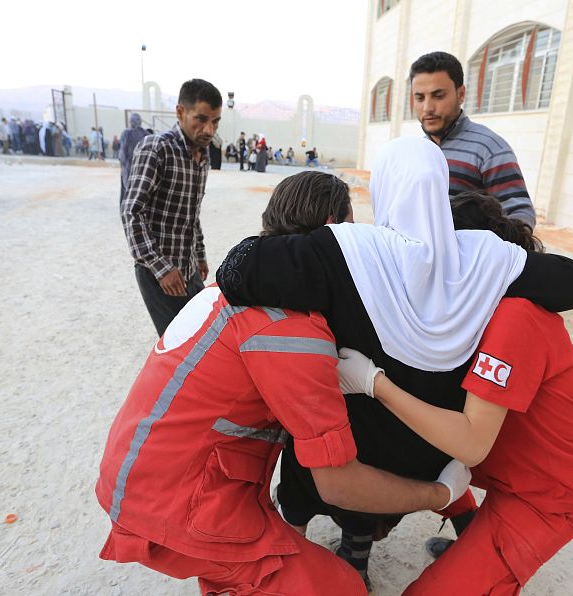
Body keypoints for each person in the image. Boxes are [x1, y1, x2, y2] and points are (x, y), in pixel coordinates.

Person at [216, 138, 573, 587]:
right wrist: (476, 257)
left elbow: (236, 269)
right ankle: (360, 553)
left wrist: (325, 244)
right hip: (428, 452)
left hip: (395, 451)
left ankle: (298, 557)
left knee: (318, 455)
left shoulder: (351, 253)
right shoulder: (484, 264)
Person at [97, 174, 473, 594]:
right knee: (340, 587)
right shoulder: (291, 328)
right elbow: (339, 484)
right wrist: (439, 494)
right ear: (333, 230)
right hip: (176, 503)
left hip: (141, 476)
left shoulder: (238, 284)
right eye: (353, 229)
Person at [336, 190, 573, 595]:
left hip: (541, 498)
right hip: (497, 469)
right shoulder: (476, 313)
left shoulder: (515, 318)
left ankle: (482, 553)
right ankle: (471, 531)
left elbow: (472, 443)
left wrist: (375, 383)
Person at [122, 78, 220, 336]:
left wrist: (199, 254)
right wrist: (161, 268)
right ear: (180, 112)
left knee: (204, 336)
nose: (209, 129)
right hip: (159, 274)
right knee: (179, 345)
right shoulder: (157, 149)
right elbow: (132, 211)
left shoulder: (203, 157)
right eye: (201, 119)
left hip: (189, 268)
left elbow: (191, 213)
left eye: (215, 121)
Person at [410, 51, 536, 228]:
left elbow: (521, 216)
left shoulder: (489, 149)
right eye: (420, 98)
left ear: (461, 94)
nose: (427, 108)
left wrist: (477, 243)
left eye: (438, 96)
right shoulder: (416, 151)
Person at [118, 113, 150, 203]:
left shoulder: (126, 133)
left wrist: (123, 166)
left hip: (128, 169)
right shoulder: (146, 134)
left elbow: (122, 154)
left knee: (126, 194)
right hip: (142, 170)